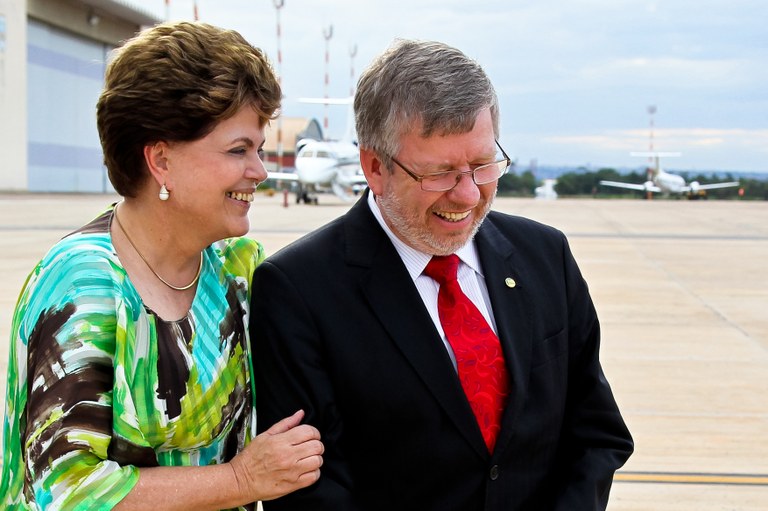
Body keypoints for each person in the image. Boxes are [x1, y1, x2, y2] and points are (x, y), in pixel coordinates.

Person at [250, 39, 633, 510]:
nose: (469, 195)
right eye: (441, 173)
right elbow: (310, 489)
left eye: (482, 165)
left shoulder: (544, 254)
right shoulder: (297, 289)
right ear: (375, 167)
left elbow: (596, 433)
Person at [0, 21, 323, 510]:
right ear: (161, 161)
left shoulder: (239, 269)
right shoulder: (81, 282)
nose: (258, 171)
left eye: (258, 149)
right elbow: (66, 493)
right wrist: (239, 480)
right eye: (239, 150)